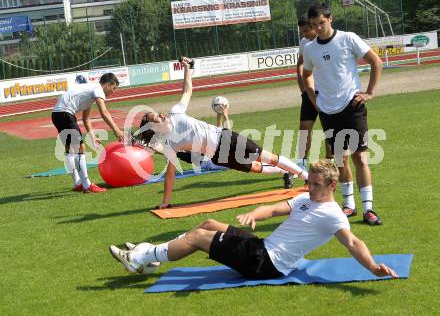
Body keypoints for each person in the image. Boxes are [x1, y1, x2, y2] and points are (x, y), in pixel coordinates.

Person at [109, 160, 397, 280]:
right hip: (262, 247)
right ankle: (154, 255)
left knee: (197, 239)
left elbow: (353, 242)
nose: (310, 188)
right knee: (209, 224)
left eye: (317, 185)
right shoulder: (305, 199)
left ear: (332, 186)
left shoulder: (333, 215)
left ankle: (141, 257)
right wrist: (251, 214)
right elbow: (272, 210)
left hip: (265, 263)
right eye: (309, 183)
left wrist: (372, 266)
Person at [136, 57, 308, 209]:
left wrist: (188, 68)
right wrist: (166, 201)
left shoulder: (175, 112)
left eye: (158, 113)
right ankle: (285, 171)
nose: (161, 114)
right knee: (256, 168)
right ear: (155, 128)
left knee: (267, 157)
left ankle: (307, 177)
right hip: (218, 156)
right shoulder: (170, 144)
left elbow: (187, 90)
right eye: (157, 117)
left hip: (226, 138)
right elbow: (170, 175)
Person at [302, 3, 384, 225]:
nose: (318, 28)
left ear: (330, 19)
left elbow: (376, 61)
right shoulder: (309, 49)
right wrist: (312, 96)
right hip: (328, 111)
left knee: (360, 157)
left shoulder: (348, 38)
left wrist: (370, 92)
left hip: (352, 107)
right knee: (340, 160)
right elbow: (306, 73)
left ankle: (369, 209)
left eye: (321, 22)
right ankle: (349, 206)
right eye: (313, 24)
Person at [52, 73, 125, 193]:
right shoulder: (98, 89)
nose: (114, 91)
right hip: (65, 113)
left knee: (70, 150)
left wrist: (92, 137)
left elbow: (86, 119)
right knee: (80, 148)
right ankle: (87, 185)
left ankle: (78, 183)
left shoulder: (90, 92)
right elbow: (104, 112)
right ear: (107, 84)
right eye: (114, 88)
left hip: (57, 114)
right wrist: (116, 130)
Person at [295, 16, 333, 171]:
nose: (304, 34)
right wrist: (302, 87)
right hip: (309, 92)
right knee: (304, 127)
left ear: (313, 26)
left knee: (329, 128)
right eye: (301, 31)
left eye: (305, 30)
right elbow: (300, 64)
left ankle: (329, 163)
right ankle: (301, 164)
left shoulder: (326, 41)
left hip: (326, 92)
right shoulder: (305, 43)